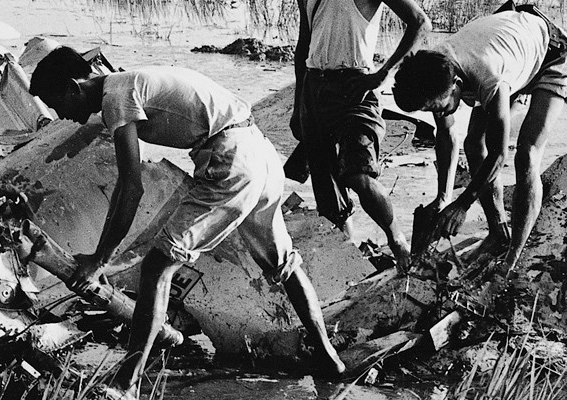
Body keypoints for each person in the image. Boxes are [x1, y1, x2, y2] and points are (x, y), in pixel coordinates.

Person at [28, 46, 344, 397]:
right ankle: (329, 358)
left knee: (157, 266)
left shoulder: (115, 98)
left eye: (57, 104)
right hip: (259, 153)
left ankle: (125, 384)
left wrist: (99, 260)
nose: (61, 116)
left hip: (231, 159)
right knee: (284, 264)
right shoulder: (128, 83)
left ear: (73, 87)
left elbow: (130, 187)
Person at [293, 0, 429, 269]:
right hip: (314, 90)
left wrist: (384, 73)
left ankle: (397, 241)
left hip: (356, 88)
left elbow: (419, 22)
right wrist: (297, 106)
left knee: (357, 173)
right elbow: (304, 46)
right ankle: (350, 253)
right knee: (325, 187)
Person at [392, 4, 567, 274]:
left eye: (438, 108)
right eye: (430, 110)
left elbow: (498, 154)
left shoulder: (487, 76)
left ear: (456, 84)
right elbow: (446, 136)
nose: (439, 113)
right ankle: (497, 233)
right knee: (472, 143)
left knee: (527, 154)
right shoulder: (433, 70)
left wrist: (462, 205)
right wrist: (443, 198)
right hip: (514, 47)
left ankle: (512, 259)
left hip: (554, 55)